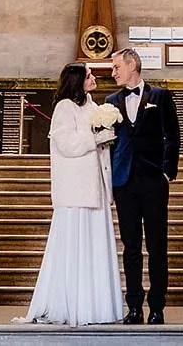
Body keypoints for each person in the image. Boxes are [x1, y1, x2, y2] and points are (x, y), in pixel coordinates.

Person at [20, 63, 125, 326]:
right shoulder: (64, 107)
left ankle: (97, 304)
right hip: (76, 189)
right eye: (88, 76)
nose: (93, 78)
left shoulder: (92, 105)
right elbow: (65, 143)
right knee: (75, 246)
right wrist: (96, 139)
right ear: (77, 81)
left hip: (96, 186)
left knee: (95, 245)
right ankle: (72, 304)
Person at [106, 47, 180, 325]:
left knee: (158, 245)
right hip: (124, 183)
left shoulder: (160, 96)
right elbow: (110, 144)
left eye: (116, 67)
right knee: (131, 246)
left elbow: (172, 136)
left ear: (132, 65)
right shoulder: (111, 101)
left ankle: (157, 306)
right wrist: (111, 179)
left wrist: (167, 173)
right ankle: (134, 306)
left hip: (153, 181)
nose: (113, 73)